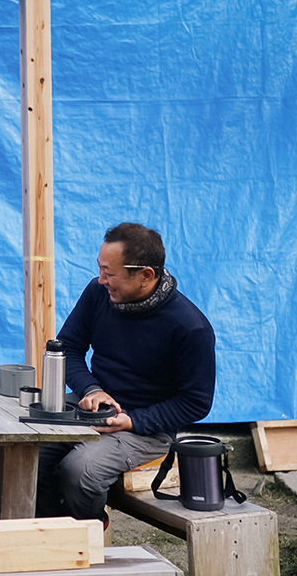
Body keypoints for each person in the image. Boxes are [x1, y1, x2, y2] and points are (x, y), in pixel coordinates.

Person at [36, 222, 215, 525]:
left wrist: (133, 420)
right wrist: (92, 389)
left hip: (146, 427)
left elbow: (195, 402)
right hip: (90, 406)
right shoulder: (97, 293)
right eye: (100, 269)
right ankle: (50, 531)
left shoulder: (190, 328)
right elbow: (67, 349)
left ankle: (87, 532)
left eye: (110, 273)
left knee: (81, 470)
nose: (101, 279)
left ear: (145, 275)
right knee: (28, 450)